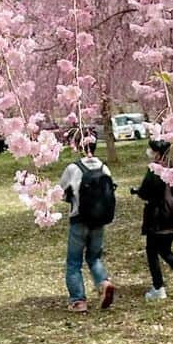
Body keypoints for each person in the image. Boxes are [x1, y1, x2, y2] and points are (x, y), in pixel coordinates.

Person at [58, 133, 115, 313]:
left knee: (74, 262)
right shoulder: (104, 167)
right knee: (93, 257)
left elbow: (62, 193)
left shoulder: (73, 168)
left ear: (78, 146)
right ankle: (104, 283)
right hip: (99, 220)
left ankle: (78, 301)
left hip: (79, 220)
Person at [134, 139, 173, 302]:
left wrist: (138, 192)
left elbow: (145, 192)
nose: (149, 153)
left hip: (158, 217)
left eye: (151, 150)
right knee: (165, 250)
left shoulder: (155, 170)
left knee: (152, 252)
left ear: (157, 152)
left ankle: (159, 288)